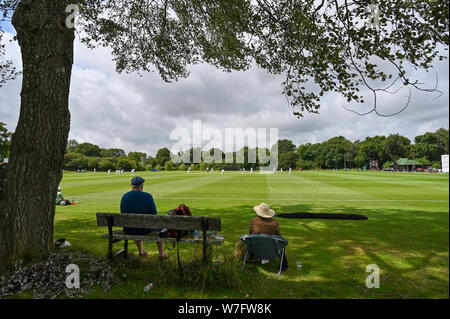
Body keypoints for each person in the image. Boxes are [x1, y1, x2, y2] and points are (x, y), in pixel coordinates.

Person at [120, 176, 168, 259]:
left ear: (132, 186)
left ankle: (141, 251)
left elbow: (123, 212)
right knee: (160, 227)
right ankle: (161, 254)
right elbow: (154, 215)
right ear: (142, 186)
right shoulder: (147, 196)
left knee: (135, 223)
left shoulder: (125, 196)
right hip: (145, 229)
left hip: (128, 228)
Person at [234, 203, 288, 270]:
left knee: (252, 240)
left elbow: (250, 234)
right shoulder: (275, 223)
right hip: (271, 250)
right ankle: (284, 265)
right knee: (281, 243)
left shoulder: (253, 221)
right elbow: (280, 237)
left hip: (255, 249)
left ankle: (251, 256)